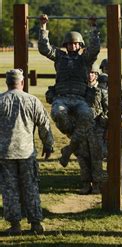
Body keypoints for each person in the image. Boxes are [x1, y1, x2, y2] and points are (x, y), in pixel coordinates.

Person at [38, 14, 100, 167]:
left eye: (76, 44)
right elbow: (44, 48)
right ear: (65, 45)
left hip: (80, 98)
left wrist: (93, 28)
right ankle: (76, 139)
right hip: (62, 97)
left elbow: (95, 48)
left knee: (87, 116)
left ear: (80, 45)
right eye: (70, 44)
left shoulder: (85, 58)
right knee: (58, 112)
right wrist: (43, 27)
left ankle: (69, 149)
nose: (72, 46)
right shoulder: (60, 57)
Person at [0, 69, 54, 234]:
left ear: (7, 82)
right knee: (30, 187)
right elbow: (44, 125)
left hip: (4, 154)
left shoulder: (1, 101)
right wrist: (48, 144)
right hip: (26, 152)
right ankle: (36, 223)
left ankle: (15, 225)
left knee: (10, 190)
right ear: (22, 82)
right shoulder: (32, 101)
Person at [74, 64, 107, 195]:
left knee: (96, 157)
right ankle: (86, 184)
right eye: (88, 73)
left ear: (97, 75)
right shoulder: (79, 92)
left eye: (92, 73)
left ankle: (97, 185)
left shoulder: (102, 92)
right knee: (82, 157)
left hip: (96, 129)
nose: (90, 75)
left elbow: (108, 109)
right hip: (81, 129)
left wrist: (104, 123)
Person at [98, 58, 122, 184]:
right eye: (105, 69)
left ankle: (120, 175)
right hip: (100, 121)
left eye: (109, 69)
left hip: (115, 120)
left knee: (118, 147)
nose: (107, 71)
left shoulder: (120, 84)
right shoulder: (98, 84)